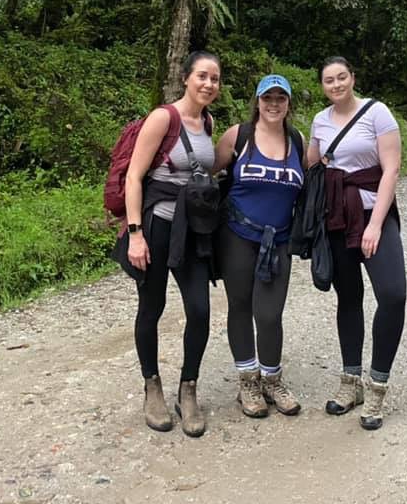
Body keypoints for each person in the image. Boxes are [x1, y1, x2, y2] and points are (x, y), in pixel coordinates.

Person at [123, 51, 220, 437]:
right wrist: (135, 234)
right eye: (202, 76)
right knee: (152, 307)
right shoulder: (163, 118)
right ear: (186, 78)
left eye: (215, 78)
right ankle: (152, 387)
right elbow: (134, 176)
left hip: (192, 230)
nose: (208, 84)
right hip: (157, 226)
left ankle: (188, 388)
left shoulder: (208, 122)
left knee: (200, 310)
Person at [307, 56, 405, 430]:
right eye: (329, 80)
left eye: (342, 77)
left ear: (353, 78)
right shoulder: (320, 120)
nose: (336, 85)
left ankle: (377, 385)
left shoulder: (377, 113)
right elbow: (312, 164)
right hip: (336, 217)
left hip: (373, 214)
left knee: (392, 295)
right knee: (348, 298)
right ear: (322, 86)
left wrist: (376, 224)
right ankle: (351, 381)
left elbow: (391, 169)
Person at [213, 74, 305, 418]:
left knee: (269, 314)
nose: (274, 104)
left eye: (281, 98)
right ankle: (248, 381)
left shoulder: (297, 141)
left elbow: (311, 185)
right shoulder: (238, 136)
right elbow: (207, 174)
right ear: (257, 101)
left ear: (288, 104)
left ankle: (272, 379)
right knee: (239, 306)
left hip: (278, 239)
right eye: (268, 98)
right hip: (237, 235)